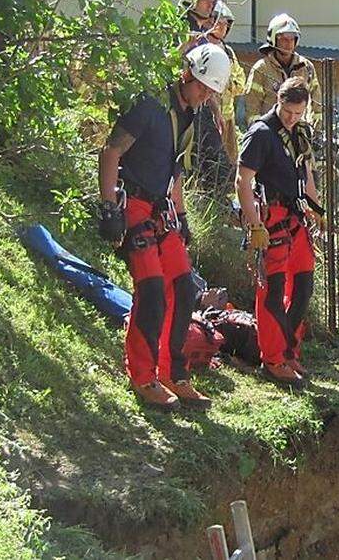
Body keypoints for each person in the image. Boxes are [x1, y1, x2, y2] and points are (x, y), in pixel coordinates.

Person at [97, 44, 232, 411]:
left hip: (161, 209)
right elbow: (111, 152)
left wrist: (183, 215)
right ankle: (143, 376)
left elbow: (175, 170)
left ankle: (174, 372)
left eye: (210, 92)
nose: (205, 96)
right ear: (187, 74)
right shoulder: (149, 104)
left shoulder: (188, 114)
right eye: (202, 87)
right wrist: (109, 206)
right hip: (135, 204)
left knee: (184, 288)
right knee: (152, 291)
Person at [235, 77, 324, 389]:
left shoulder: (301, 133)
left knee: (303, 287)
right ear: (278, 102)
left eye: (298, 113)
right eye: (287, 112)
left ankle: (288, 351)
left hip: (297, 219)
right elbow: (242, 180)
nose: (291, 118)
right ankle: (272, 360)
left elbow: (307, 175)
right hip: (272, 219)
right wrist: (255, 225)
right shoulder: (261, 133)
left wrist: (318, 210)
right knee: (271, 293)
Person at [181, 0, 247, 189]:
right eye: (217, 22)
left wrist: (222, 84)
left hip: (227, 117)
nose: (221, 27)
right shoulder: (198, 45)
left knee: (229, 161)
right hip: (202, 110)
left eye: (225, 24)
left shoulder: (228, 52)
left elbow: (240, 83)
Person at [245, 13, 321, 126]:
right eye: (284, 39)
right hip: (270, 131)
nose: (288, 44)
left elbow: (316, 102)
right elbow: (252, 106)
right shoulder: (261, 69)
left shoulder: (306, 67)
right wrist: (259, 133)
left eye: (292, 39)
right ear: (273, 40)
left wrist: (316, 130)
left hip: (297, 130)